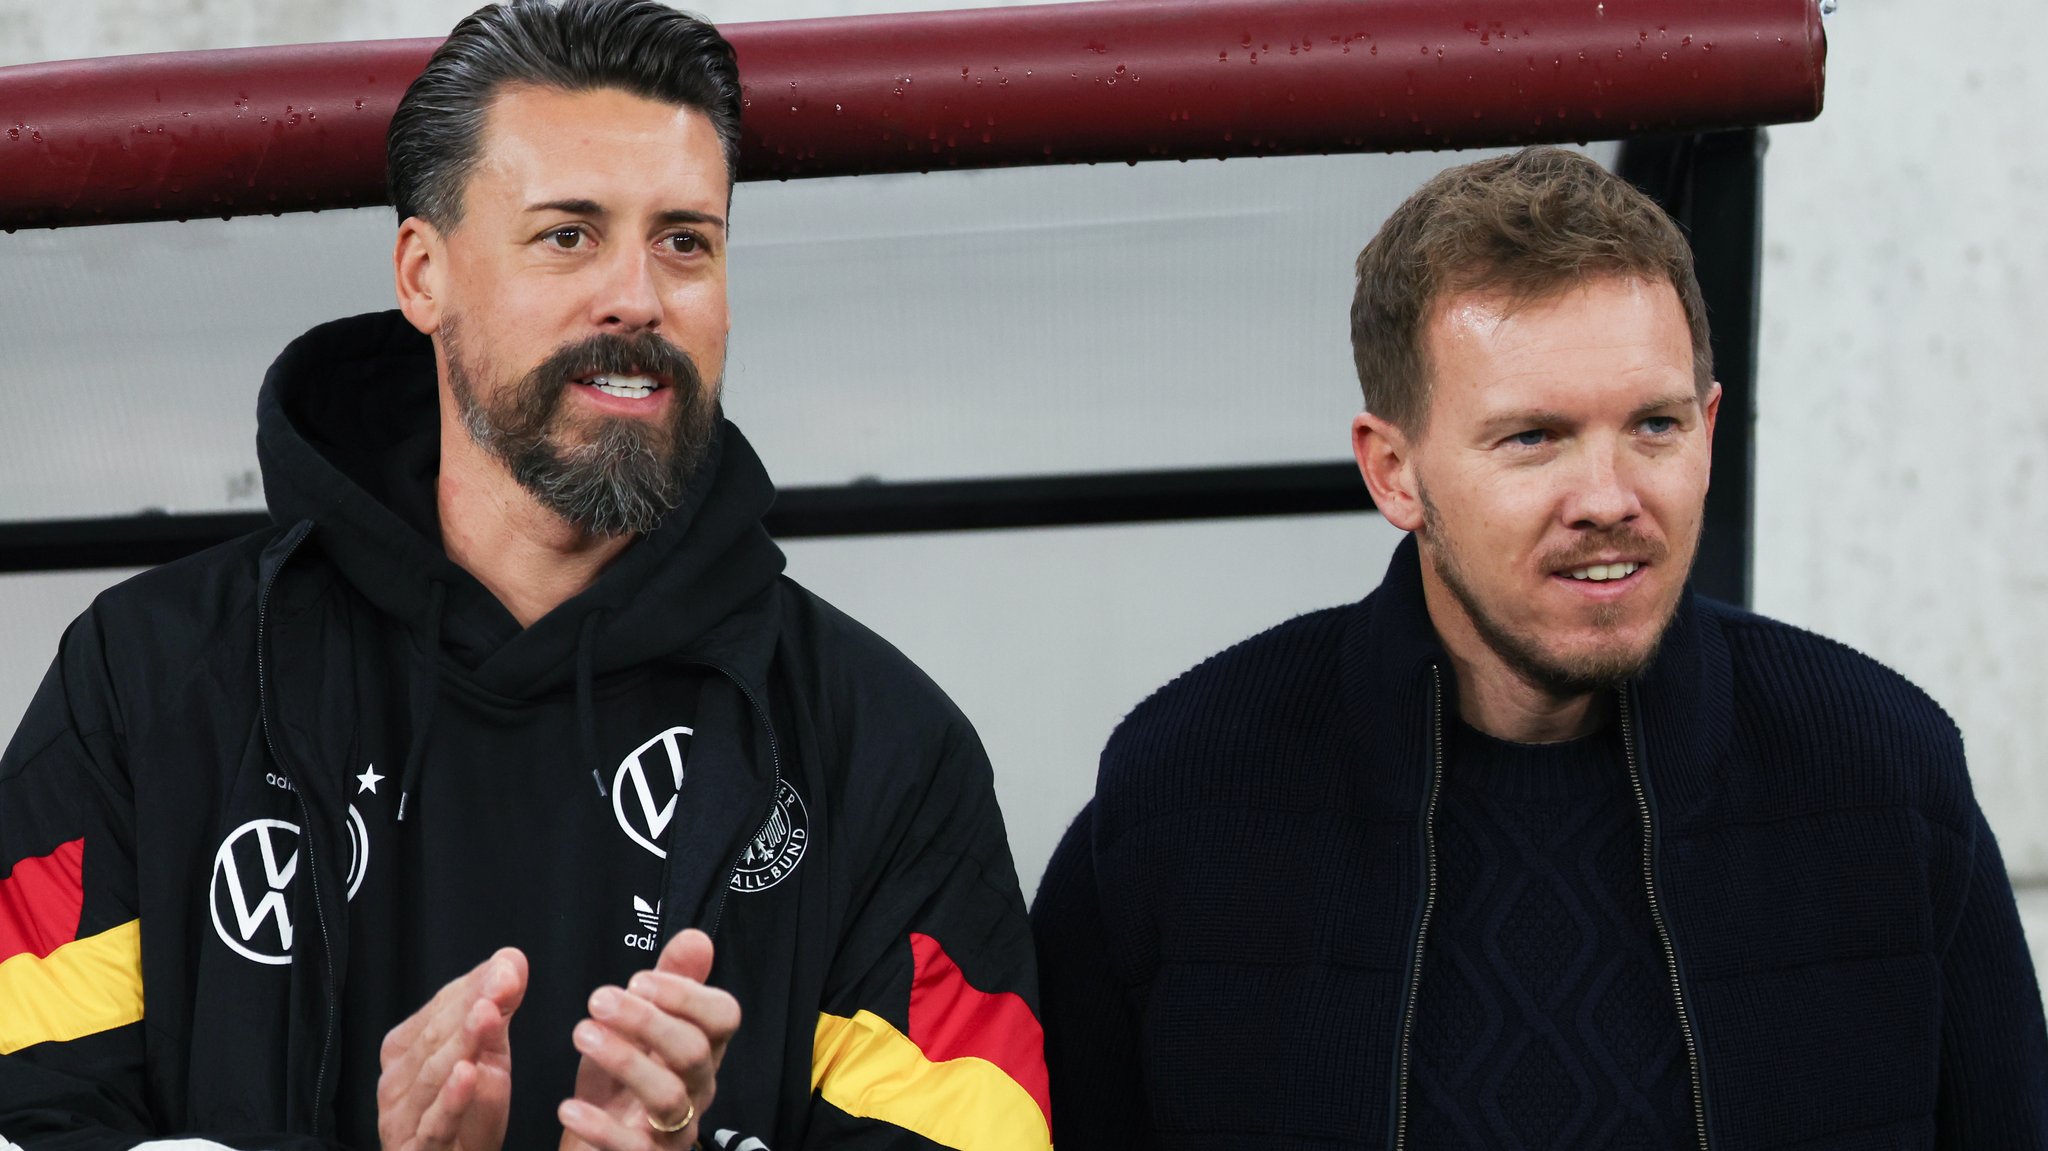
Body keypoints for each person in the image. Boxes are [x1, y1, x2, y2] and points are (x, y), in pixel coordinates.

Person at [0, 3, 1051, 1149]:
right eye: (569, 234)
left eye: (684, 240)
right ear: (422, 274)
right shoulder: (149, 681)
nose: (638, 299)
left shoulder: (881, 745)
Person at [1031, 146, 2048, 1149]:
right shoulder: (1182, 799)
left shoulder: (1881, 772)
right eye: (1531, 438)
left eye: (1651, 425)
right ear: (1393, 472)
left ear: (1707, 428)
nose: (1607, 499)